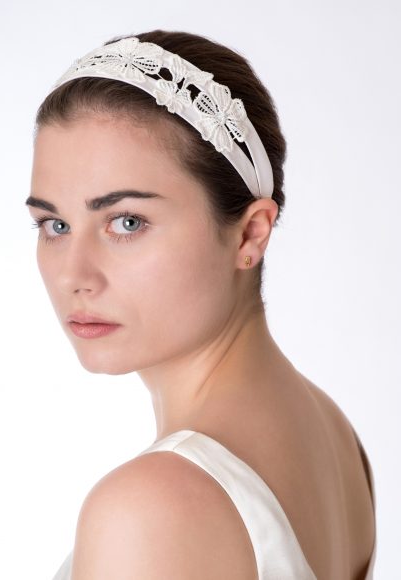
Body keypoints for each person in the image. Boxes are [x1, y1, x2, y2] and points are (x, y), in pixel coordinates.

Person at [26, 29, 377, 579]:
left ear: (249, 234)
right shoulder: (333, 432)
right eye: (55, 224)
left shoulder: (148, 509)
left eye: (127, 222)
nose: (74, 275)